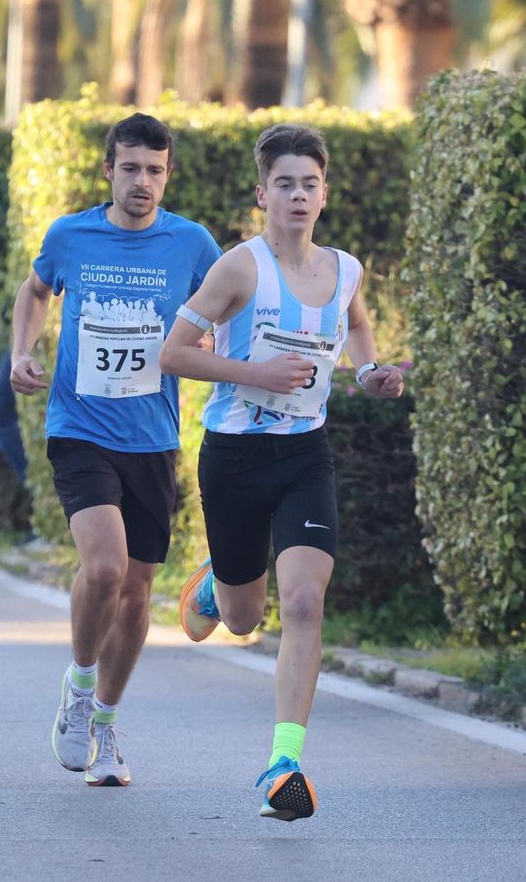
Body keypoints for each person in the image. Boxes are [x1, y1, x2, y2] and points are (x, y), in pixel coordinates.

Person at [161, 124, 405, 821]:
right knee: (244, 618)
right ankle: (216, 586)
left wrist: (370, 370)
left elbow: (356, 327)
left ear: (324, 193)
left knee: (302, 602)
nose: (299, 196)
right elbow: (174, 355)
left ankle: (285, 760)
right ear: (262, 193)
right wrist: (255, 372)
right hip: (235, 457)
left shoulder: (345, 268)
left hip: (305, 455)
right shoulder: (240, 268)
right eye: (286, 184)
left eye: (311, 184)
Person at [10, 113, 221, 787]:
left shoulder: (192, 244)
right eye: (130, 168)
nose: (143, 182)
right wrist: (20, 351)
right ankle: (77, 688)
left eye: (155, 170)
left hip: (153, 437)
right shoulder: (71, 235)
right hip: (78, 429)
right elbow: (36, 290)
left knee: (136, 596)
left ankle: (105, 724)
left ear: (168, 175)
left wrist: (214, 350)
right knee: (103, 569)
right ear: (108, 171)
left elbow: (223, 313)